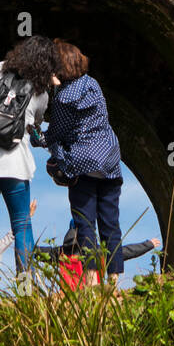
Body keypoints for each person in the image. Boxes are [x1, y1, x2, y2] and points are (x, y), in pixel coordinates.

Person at [0, 35, 53, 278]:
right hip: (15, 163)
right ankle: (25, 288)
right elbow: (36, 122)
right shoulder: (41, 92)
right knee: (22, 225)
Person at [46, 41, 125, 282]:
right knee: (111, 224)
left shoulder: (63, 99)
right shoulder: (93, 85)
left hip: (82, 164)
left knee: (85, 223)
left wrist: (40, 138)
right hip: (110, 161)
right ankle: (114, 282)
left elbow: (55, 134)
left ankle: (91, 280)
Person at [37, 229, 162, 290]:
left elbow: (34, 251)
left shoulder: (60, 253)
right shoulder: (97, 252)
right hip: (92, 294)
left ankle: (23, 293)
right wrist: (148, 244)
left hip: (67, 299)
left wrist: (20, 228)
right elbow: (125, 252)